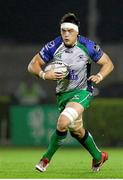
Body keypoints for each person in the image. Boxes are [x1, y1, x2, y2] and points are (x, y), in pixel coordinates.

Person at [28, 12, 114, 172]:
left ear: (77, 32)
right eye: (63, 31)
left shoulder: (87, 45)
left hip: (82, 91)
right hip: (63, 95)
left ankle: (45, 159)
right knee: (76, 131)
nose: (66, 34)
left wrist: (100, 75)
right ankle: (98, 157)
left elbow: (108, 63)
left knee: (63, 122)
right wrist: (44, 74)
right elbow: (32, 65)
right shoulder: (53, 46)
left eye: (70, 31)